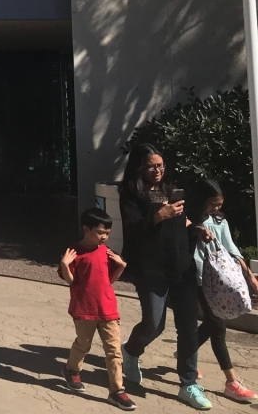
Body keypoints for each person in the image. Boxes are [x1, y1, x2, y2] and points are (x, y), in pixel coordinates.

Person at [119, 143, 210, 410]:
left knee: (188, 326)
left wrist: (196, 229)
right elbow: (133, 229)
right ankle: (131, 351)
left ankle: (188, 383)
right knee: (154, 323)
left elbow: (182, 221)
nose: (157, 170)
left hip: (181, 265)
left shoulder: (170, 190)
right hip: (151, 269)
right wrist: (159, 215)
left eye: (160, 165)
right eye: (151, 166)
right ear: (140, 167)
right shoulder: (130, 195)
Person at [58, 207, 136, 411]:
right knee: (83, 345)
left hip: (108, 310)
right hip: (84, 310)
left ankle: (117, 391)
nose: (104, 237)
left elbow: (108, 280)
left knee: (114, 351)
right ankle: (71, 370)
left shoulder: (106, 252)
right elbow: (71, 281)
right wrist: (65, 264)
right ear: (86, 229)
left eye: (107, 233)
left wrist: (121, 266)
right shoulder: (74, 252)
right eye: (100, 232)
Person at [190, 179, 258, 402]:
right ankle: (231, 382)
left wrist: (250, 276)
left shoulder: (219, 221)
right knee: (217, 325)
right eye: (212, 203)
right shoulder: (188, 219)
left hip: (218, 281)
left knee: (212, 322)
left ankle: (186, 353)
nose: (216, 208)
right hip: (196, 278)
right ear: (201, 200)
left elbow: (232, 249)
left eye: (219, 204)